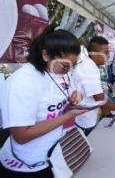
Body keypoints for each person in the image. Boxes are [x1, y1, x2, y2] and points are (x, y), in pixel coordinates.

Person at [0, 28, 86, 177]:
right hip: (28, 165)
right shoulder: (23, 82)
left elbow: (71, 93)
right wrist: (68, 115)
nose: (70, 70)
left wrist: (76, 95)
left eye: (74, 64)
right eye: (66, 65)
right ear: (46, 55)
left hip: (56, 154)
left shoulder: (61, 73)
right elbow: (21, 135)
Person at [73, 36, 115, 135]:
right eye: (106, 52)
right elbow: (100, 100)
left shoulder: (90, 66)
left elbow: (100, 96)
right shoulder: (88, 69)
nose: (109, 56)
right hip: (84, 122)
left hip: (88, 118)